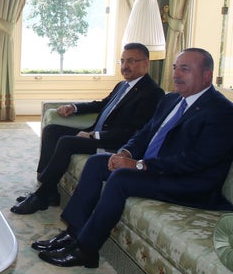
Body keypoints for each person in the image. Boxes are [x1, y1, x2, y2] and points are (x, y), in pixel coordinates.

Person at [33, 48, 233, 268]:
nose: (176, 74)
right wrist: (126, 152)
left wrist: (139, 165)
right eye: (175, 68)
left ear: (207, 75)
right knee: (97, 163)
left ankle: (86, 250)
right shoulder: (171, 99)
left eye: (185, 69)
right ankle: (72, 234)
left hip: (190, 182)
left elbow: (196, 160)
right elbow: (145, 133)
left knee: (121, 179)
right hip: (156, 168)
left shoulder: (222, 111)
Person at [12, 43, 164, 215]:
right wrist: (74, 107)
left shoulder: (152, 93)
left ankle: (41, 196)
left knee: (66, 142)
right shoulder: (123, 85)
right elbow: (101, 105)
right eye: (122, 61)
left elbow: (134, 132)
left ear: (146, 63)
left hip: (114, 143)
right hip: (97, 134)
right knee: (51, 130)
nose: (124, 66)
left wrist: (95, 136)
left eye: (130, 61)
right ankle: (49, 189)